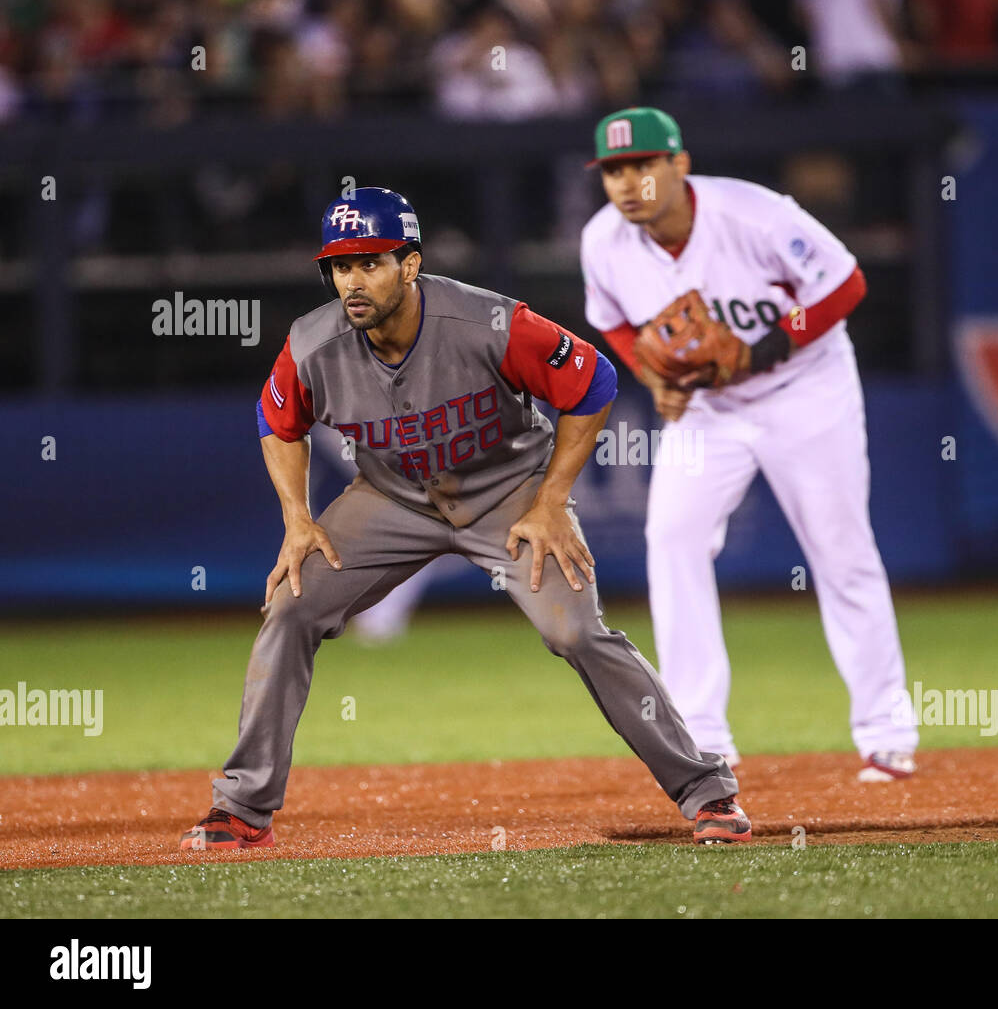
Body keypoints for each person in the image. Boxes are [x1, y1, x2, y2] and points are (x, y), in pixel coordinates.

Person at [180, 186, 750, 849]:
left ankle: (707, 791)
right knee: (292, 604)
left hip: (509, 492)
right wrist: (297, 518)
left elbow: (592, 381)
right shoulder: (313, 343)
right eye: (340, 266)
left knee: (575, 633)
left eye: (371, 262)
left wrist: (552, 500)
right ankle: (244, 808)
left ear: (411, 264)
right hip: (392, 496)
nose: (352, 280)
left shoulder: (488, 323)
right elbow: (277, 422)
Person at [579, 108, 919, 781]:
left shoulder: (754, 215)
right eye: (615, 170)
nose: (629, 183)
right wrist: (653, 379)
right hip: (710, 409)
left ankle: (886, 730)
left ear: (679, 165)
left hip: (806, 392)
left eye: (643, 165)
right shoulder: (602, 242)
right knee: (673, 539)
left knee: (842, 550)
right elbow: (613, 322)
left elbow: (846, 283)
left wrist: (765, 345)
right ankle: (701, 733)